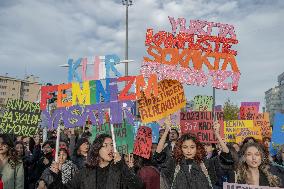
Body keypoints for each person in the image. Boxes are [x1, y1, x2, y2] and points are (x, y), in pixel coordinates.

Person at [47, 134, 144, 189]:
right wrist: (56, 175)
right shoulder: (85, 173)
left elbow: (138, 186)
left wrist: (122, 165)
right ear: (97, 149)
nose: (110, 148)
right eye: (105, 145)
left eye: (112, 145)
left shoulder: (119, 170)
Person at [156, 121, 230, 189]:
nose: (189, 151)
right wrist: (166, 131)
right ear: (180, 148)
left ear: (197, 148)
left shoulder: (206, 164)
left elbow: (227, 159)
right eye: (185, 147)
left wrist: (217, 134)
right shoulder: (174, 164)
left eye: (192, 147)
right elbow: (158, 156)